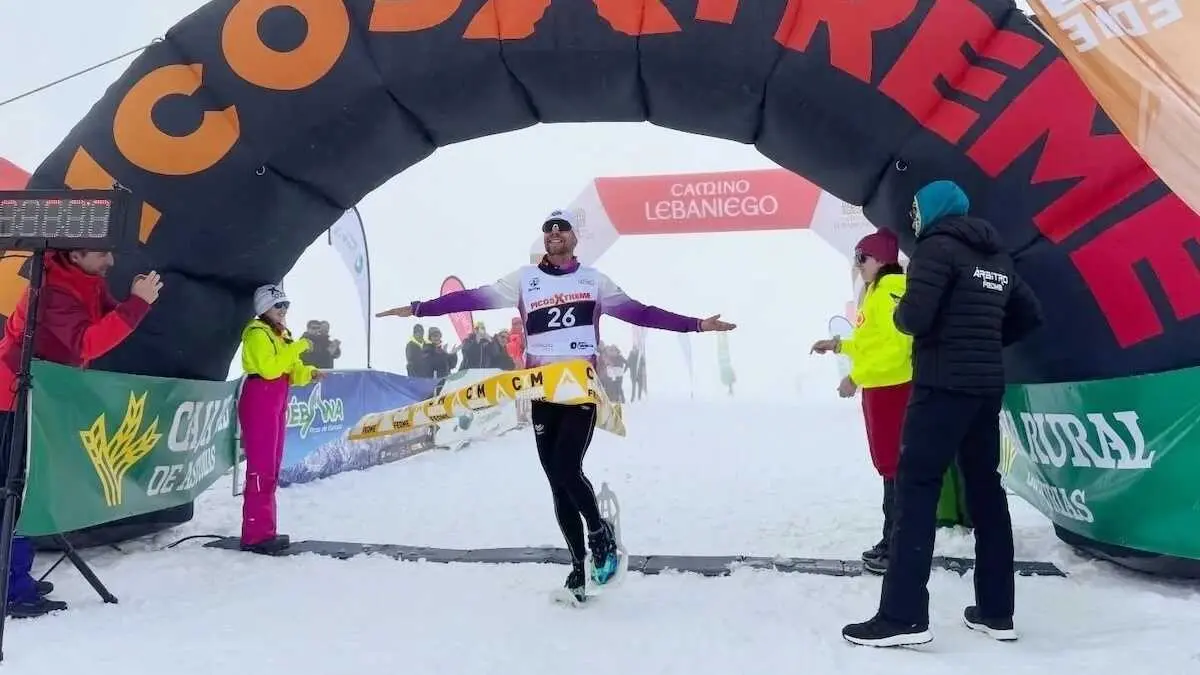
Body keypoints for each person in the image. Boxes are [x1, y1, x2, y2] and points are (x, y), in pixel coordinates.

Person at [377, 208, 736, 602]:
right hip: (541, 389)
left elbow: (642, 312)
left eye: (561, 229)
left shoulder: (594, 281)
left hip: (580, 388)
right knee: (556, 480)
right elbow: (470, 297)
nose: (553, 234)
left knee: (567, 467)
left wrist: (697, 324)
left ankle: (599, 535)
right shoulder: (524, 280)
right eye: (547, 230)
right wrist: (417, 308)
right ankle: (578, 568)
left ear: (573, 238)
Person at [842, 180, 1044, 648]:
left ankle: (902, 616)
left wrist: (909, 321)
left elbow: (913, 318)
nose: (913, 217)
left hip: (940, 386)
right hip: (984, 387)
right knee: (986, 493)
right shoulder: (995, 256)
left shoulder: (936, 248)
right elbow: (1029, 315)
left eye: (915, 209)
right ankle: (997, 612)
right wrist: (984, 342)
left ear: (932, 211)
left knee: (916, 491)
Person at [0, 250, 160, 618]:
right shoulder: (54, 291)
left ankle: (13, 574)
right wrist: (136, 306)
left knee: (28, 489)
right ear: (76, 254)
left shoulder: (84, 280)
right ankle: (12, 588)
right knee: (17, 491)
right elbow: (87, 343)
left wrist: (135, 302)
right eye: (103, 254)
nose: (111, 262)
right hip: (13, 401)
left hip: (39, 400)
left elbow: (107, 318)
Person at [810, 230, 911, 575]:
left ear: (881, 259)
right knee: (889, 467)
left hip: (891, 390)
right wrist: (839, 346)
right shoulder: (878, 291)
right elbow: (872, 343)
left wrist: (855, 377)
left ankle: (897, 546)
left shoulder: (889, 293)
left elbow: (896, 350)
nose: (858, 266)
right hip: (881, 389)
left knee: (895, 468)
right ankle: (892, 540)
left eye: (862, 259)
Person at [238, 284, 322, 555]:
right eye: (278, 305)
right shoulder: (256, 333)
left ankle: (265, 530)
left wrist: (309, 373)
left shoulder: (280, 335)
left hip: (276, 399)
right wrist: (297, 347)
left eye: (286, 305)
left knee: (271, 467)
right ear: (264, 308)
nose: (284, 310)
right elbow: (270, 368)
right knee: (260, 469)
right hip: (260, 397)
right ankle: (255, 534)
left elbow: (291, 372)